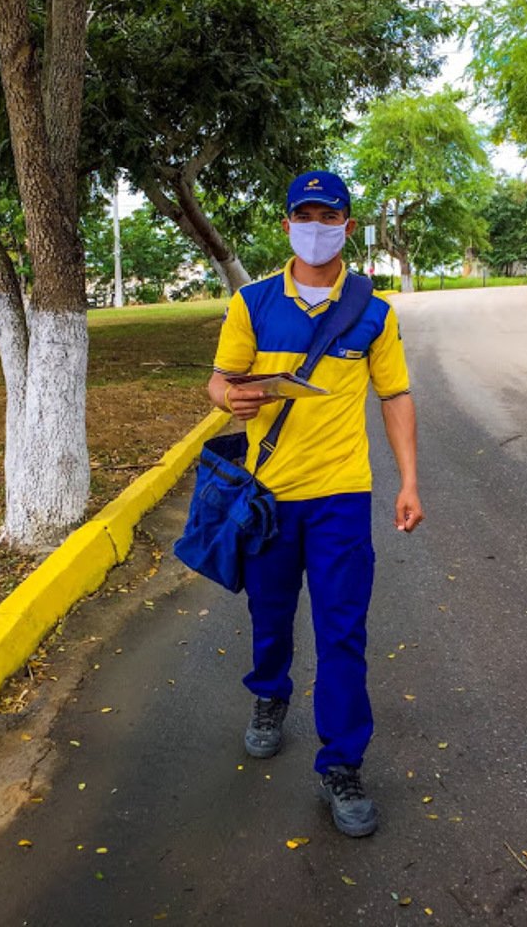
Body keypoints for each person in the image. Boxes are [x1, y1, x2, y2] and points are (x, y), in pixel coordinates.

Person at [206, 169, 423, 837]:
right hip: (269, 499)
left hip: (341, 500)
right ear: (287, 225)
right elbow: (221, 380)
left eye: (331, 217)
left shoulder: (373, 312)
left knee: (342, 634)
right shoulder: (252, 303)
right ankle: (269, 697)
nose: (318, 227)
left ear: (348, 228)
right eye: (306, 214)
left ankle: (342, 765)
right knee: (270, 615)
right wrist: (230, 398)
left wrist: (410, 480)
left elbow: (395, 397)